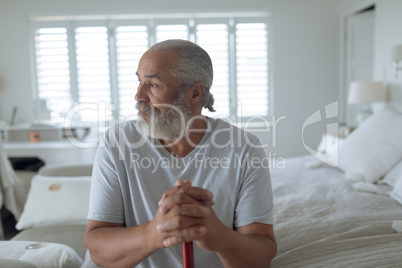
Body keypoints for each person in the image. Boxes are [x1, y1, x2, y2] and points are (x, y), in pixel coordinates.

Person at [83, 39, 277, 268]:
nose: (138, 96)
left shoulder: (244, 148)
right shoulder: (117, 142)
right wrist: (156, 232)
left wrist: (218, 237)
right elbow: (96, 247)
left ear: (195, 93)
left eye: (152, 85)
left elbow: (261, 254)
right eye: (139, 82)